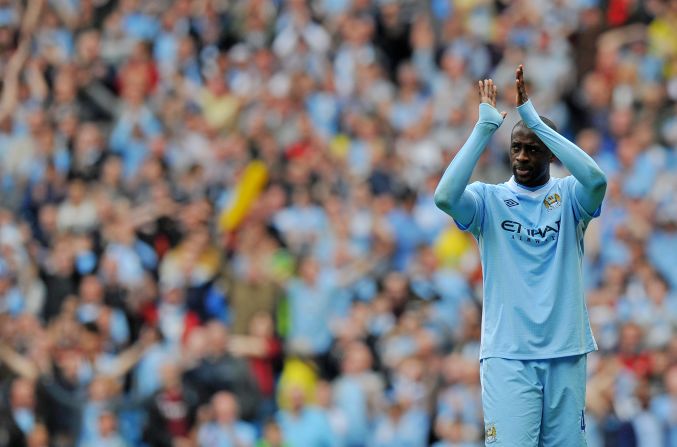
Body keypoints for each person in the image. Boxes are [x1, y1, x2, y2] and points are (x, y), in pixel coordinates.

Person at [434, 65, 607, 446]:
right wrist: (484, 129)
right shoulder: (488, 199)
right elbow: (444, 197)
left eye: (533, 148)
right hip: (508, 356)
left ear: (549, 152)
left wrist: (533, 120)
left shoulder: (569, 198)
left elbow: (596, 180)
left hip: (566, 350)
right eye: (516, 147)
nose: (522, 157)